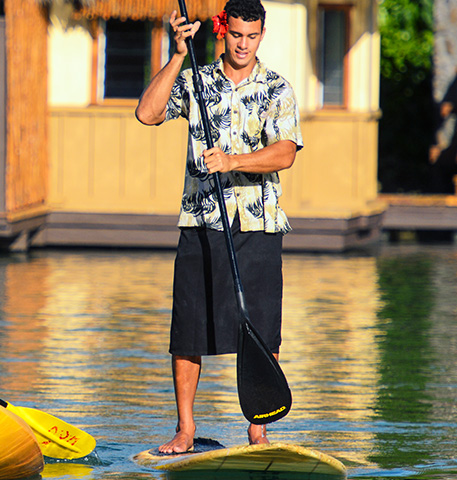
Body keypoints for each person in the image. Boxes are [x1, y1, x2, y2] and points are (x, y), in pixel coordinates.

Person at [135, 0, 302, 451]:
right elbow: (147, 113)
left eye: (252, 36)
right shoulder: (195, 79)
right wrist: (176, 54)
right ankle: (186, 430)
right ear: (221, 31)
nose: (243, 45)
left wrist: (232, 162)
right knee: (188, 328)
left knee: (263, 328)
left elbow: (284, 153)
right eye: (236, 36)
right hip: (201, 221)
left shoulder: (276, 88)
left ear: (261, 35)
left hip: (259, 224)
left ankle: (259, 428)